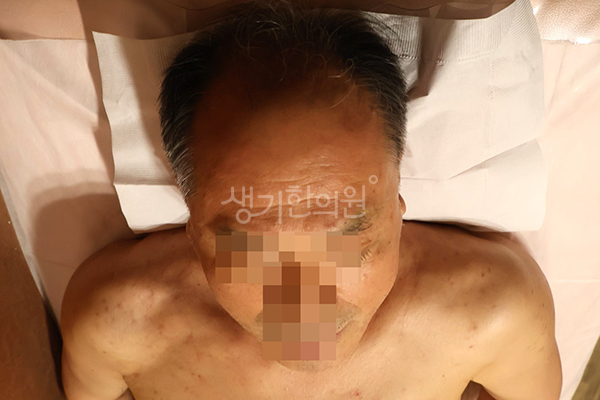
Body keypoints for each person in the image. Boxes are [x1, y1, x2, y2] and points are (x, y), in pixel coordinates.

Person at [60, 1, 562, 399]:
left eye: (346, 243)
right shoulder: (116, 329)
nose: (303, 302)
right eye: (251, 251)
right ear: (193, 230)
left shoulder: (494, 318)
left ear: (397, 212)